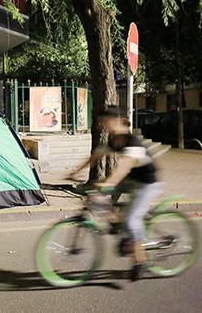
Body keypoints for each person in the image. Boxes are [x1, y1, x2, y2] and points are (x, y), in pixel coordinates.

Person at [69, 105, 162, 281]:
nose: (105, 126)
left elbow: (123, 167)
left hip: (147, 184)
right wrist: (75, 172)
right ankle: (123, 231)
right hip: (131, 180)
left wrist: (108, 183)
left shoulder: (133, 142)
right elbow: (96, 155)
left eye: (107, 122)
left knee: (131, 219)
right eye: (103, 123)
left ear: (118, 121)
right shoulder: (114, 139)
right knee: (102, 200)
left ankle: (140, 261)